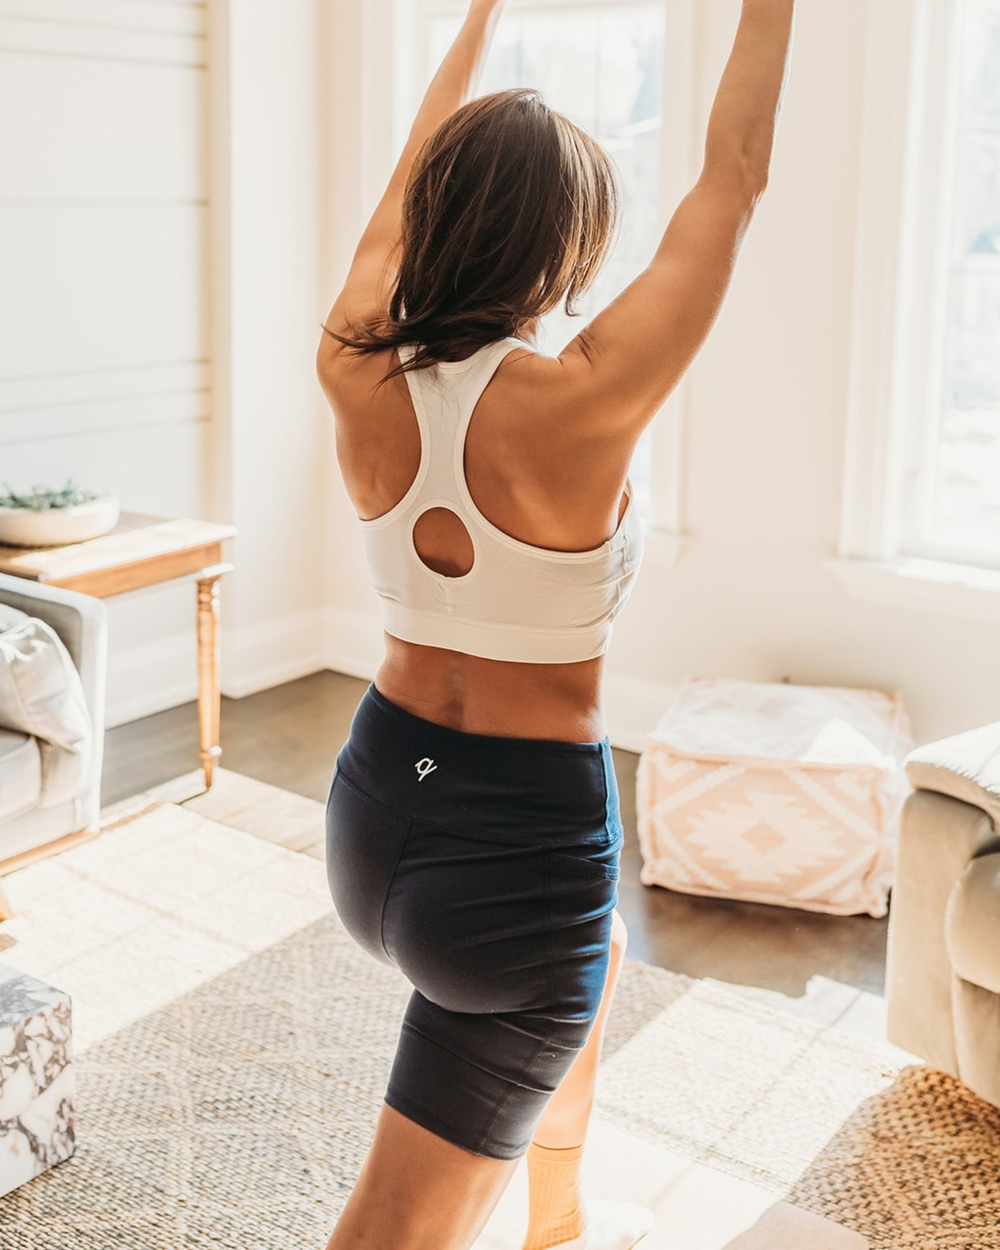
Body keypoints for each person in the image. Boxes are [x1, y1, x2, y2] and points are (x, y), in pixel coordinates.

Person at [316, 2, 795, 1247]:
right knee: (393, 1230)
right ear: (564, 252)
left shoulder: (353, 360)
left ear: (432, 220)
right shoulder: (580, 401)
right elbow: (733, 177)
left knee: (603, 962)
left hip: (377, 806)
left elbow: (407, 176)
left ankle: (560, 1214)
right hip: (514, 858)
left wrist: (475, 18)